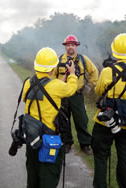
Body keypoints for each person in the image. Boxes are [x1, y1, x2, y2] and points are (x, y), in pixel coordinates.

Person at [91, 33, 126, 188]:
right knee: (125, 158)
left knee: (101, 157)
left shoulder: (108, 71)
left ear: (113, 50)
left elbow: (98, 91)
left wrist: (109, 69)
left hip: (106, 121)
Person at [23, 47, 78, 188]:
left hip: (31, 137)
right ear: (53, 69)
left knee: (32, 176)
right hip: (49, 140)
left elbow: (25, 99)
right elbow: (71, 89)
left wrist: (59, 81)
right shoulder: (57, 86)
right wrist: (71, 74)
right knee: (49, 176)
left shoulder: (28, 83)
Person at [53, 35, 98, 154]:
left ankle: (85, 144)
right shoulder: (58, 60)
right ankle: (67, 143)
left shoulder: (83, 59)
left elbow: (94, 72)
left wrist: (89, 86)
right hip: (63, 96)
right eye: (68, 45)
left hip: (77, 96)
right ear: (65, 47)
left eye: (72, 45)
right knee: (64, 120)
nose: (70, 47)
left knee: (81, 120)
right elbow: (52, 76)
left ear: (76, 46)